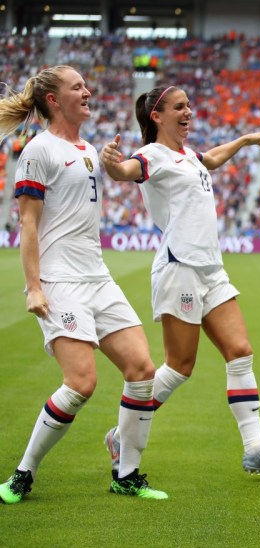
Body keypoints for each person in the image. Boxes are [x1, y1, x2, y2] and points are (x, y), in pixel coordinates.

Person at [99, 85, 260, 475]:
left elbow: (211, 158)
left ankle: (255, 449)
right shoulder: (151, 156)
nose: (188, 111)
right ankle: (121, 436)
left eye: (189, 105)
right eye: (179, 106)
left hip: (211, 268)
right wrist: (110, 162)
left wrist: (243, 140)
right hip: (180, 267)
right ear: (157, 116)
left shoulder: (189, 156)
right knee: (179, 366)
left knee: (240, 351)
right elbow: (125, 171)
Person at [0, 65, 167, 503]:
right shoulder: (38, 151)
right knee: (80, 383)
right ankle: (23, 472)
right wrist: (35, 287)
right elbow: (28, 226)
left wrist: (111, 162)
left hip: (97, 276)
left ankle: (126, 473)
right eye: (78, 87)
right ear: (54, 100)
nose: (88, 91)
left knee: (142, 370)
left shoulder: (89, 148)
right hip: (60, 279)